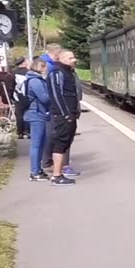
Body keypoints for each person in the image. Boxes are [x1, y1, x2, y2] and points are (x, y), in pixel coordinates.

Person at [47, 49, 81, 186]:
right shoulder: (57, 72)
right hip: (63, 115)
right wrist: (65, 114)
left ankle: (58, 172)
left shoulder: (68, 72)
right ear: (61, 59)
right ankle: (56, 175)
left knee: (65, 142)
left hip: (70, 114)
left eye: (73, 57)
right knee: (60, 143)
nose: (74, 60)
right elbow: (56, 95)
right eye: (70, 58)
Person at [24, 59, 52, 180]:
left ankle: (38, 169)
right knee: (36, 144)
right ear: (40, 67)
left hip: (38, 113)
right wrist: (54, 95)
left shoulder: (35, 79)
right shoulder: (35, 81)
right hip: (36, 114)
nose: (47, 69)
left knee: (40, 143)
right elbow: (44, 98)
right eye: (45, 67)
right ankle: (35, 172)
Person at [12, 57, 30, 138]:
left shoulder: (13, 73)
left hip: (18, 97)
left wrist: (11, 96)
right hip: (28, 96)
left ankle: (20, 132)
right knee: (28, 113)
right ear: (24, 63)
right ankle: (28, 130)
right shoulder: (29, 73)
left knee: (19, 115)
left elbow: (11, 86)